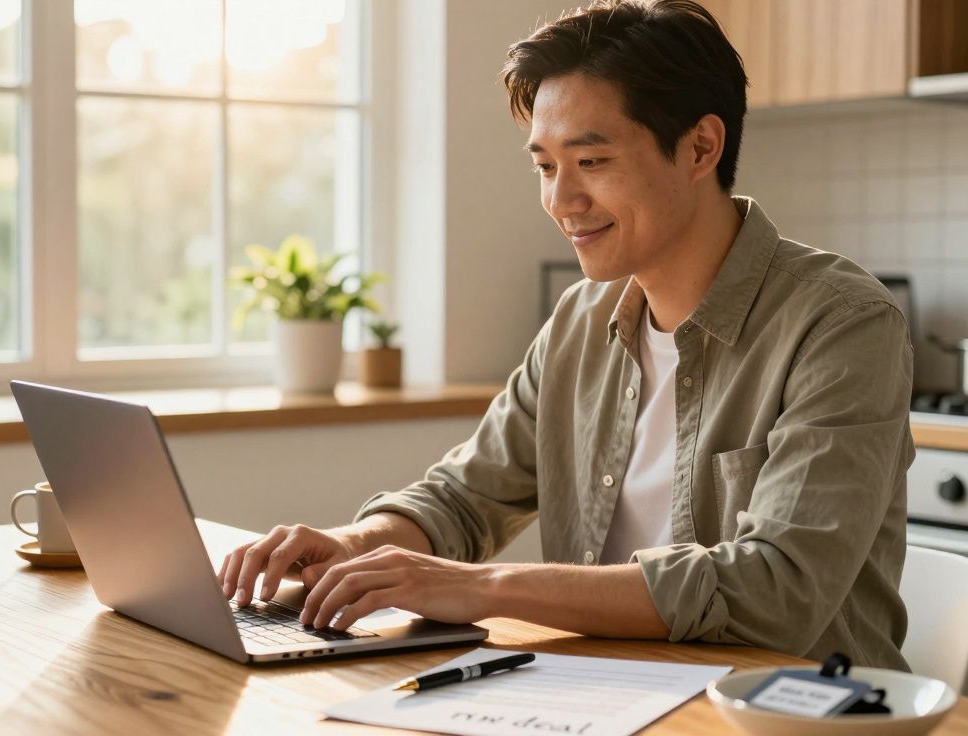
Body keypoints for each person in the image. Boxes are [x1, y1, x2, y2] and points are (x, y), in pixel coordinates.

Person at [218, 0, 913, 669]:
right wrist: (356, 546)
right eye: (545, 166)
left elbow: (774, 590)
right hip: (607, 694)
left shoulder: (842, 324)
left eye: (592, 162)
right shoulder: (580, 322)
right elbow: (463, 498)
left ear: (700, 147)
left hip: (785, 712)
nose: (560, 200)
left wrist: (480, 588)